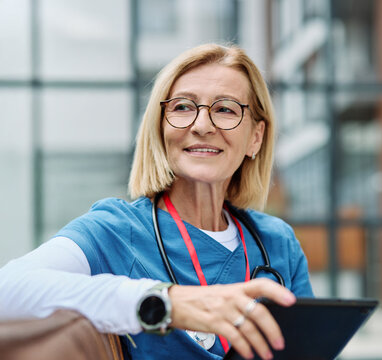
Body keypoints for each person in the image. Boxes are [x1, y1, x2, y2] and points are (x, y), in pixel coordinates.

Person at [0, 43, 313, 360]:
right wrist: (164, 303)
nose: (202, 125)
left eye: (225, 109)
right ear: (160, 128)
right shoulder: (117, 231)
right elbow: (8, 290)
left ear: (255, 138)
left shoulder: (278, 242)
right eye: (182, 107)